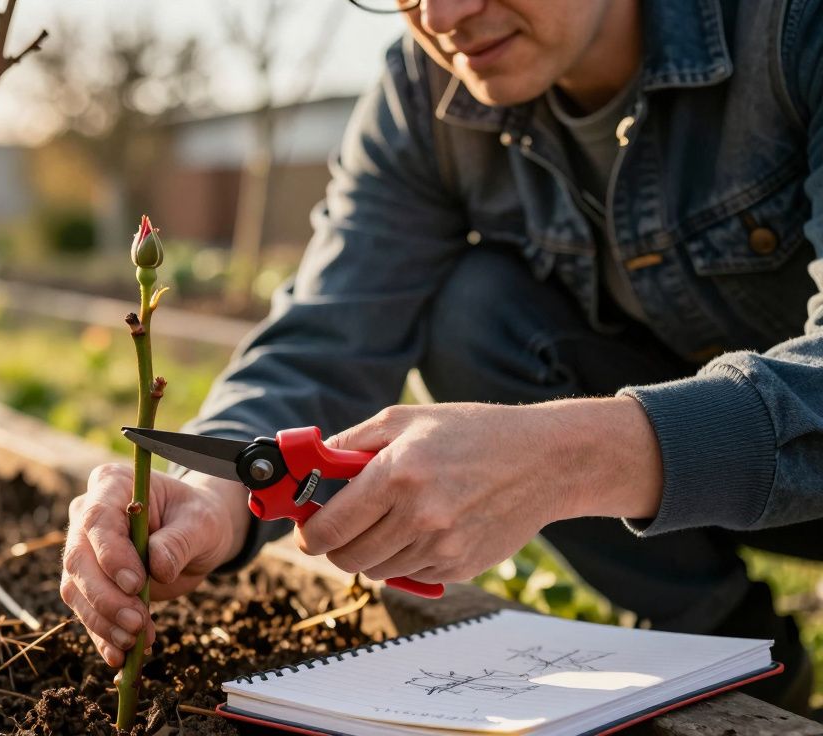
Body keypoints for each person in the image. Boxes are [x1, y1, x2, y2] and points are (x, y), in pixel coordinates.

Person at [60, 0, 823, 715]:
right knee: (472, 311)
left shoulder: (794, 28)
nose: (443, 17)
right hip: (695, 503)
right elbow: (332, 332)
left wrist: (564, 458)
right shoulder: (425, 93)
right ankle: (729, 655)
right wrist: (215, 489)